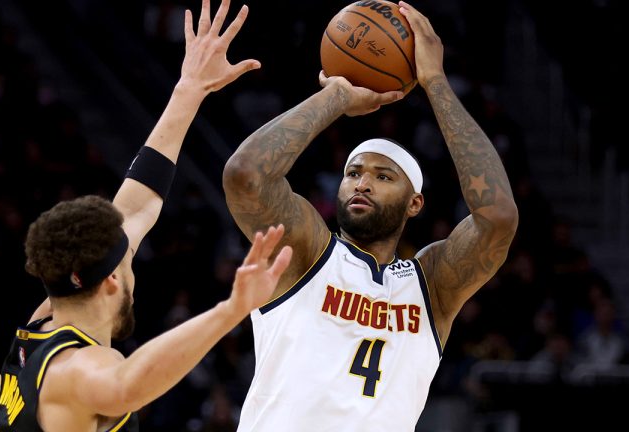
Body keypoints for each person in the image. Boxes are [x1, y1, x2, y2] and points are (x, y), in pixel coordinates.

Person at [0, 0, 293, 430]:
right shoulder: (75, 371)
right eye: (128, 257)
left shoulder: (45, 321)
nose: (132, 249)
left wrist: (190, 89)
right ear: (111, 278)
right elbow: (126, 386)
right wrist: (232, 309)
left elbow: (136, 206)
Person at [222, 2, 519, 430]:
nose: (362, 183)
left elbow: (498, 218)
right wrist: (337, 96)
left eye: (383, 177)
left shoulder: (431, 286)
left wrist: (435, 83)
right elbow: (245, 175)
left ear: (414, 203)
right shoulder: (306, 253)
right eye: (353, 173)